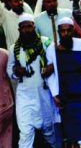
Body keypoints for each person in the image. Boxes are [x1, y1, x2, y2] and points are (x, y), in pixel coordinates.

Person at [8, 15, 60, 148]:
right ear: (19, 29)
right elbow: (9, 70)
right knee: (25, 132)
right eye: (23, 27)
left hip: (45, 93)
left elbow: (57, 58)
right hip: (25, 94)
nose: (27, 30)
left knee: (49, 129)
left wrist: (51, 67)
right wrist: (16, 71)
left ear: (34, 26)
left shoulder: (46, 42)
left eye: (29, 26)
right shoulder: (14, 49)